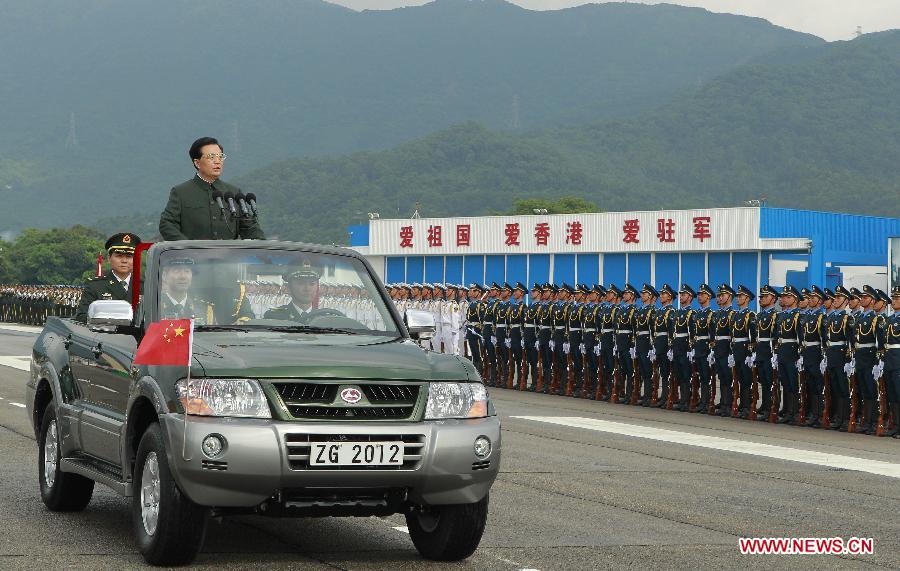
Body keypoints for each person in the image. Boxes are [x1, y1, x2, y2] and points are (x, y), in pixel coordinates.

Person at [159, 137, 266, 241]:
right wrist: (188, 248)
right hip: (194, 257)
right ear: (197, 163)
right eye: (211, 157)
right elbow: (167, 224)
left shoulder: (233, 192)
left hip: (228, 257)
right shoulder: (181, 192)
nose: (217, 161)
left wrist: (261, 245)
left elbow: (249, 226)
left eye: (220, 156)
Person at [75, 232, 141, 322]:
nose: (124, 261)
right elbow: (81, 317)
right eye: (119, 256)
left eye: (129, 256)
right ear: (109, 258)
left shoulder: (145, 286)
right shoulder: (95, 286)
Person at [158, 257, 216, 324]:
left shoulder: (205, 309)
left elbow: (212, 334)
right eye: (177, 271)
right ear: (164, 276)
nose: (183, 276)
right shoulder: (155, 306)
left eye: (187, 271)